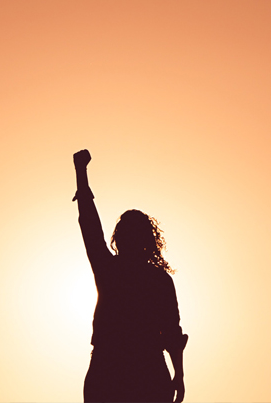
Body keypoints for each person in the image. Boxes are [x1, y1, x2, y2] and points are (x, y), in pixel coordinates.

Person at [73, 149, 188, 403]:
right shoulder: (154, 279)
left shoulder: (112, 270)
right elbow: (89, 224)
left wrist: (81, 173)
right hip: (131, 370)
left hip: (122, 371)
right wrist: (178, 374)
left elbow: (171, 332)